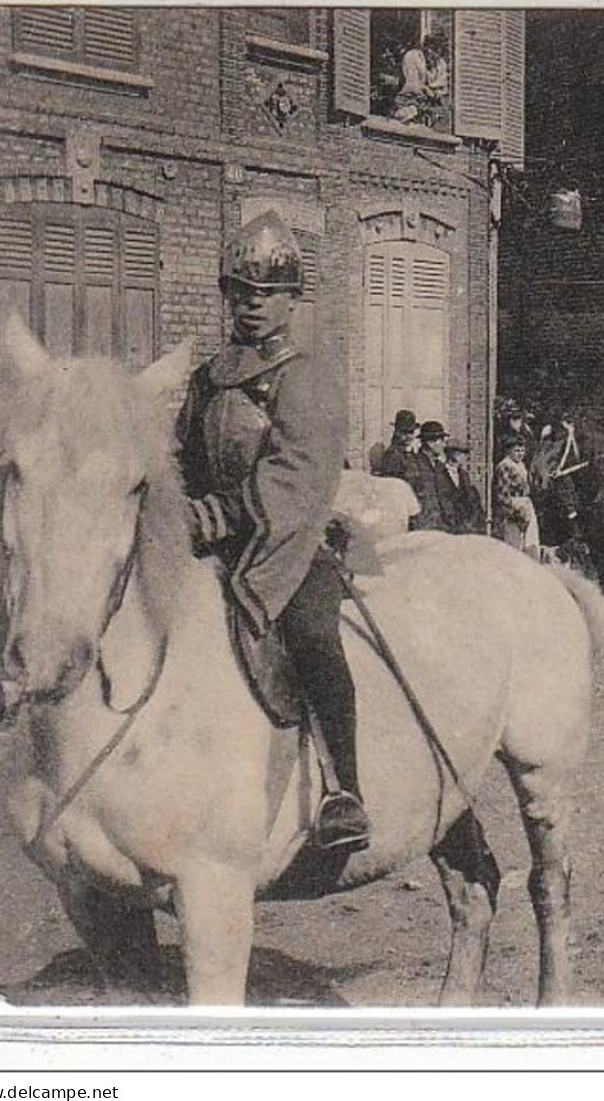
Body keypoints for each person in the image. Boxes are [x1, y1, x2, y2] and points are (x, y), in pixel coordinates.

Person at [176, 211, 367, 852]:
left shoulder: (305, 376)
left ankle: (344, 790)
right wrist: (174, 509)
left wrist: (219, 515)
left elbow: (297, 476)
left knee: (312, 634)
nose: (252, 305)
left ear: (290, 300)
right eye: (241, 290)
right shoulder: (208, 378)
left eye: (267, 293)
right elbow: (182, 458)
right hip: (202, 545)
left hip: (285, 544)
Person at [491, 436, 541, 555]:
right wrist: (515, 511)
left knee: (529, 542)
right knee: (513, 545)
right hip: (512, 508)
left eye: (522, 451)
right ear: (509, 451)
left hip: (525, 505)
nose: (520, 454)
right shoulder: (505, 466)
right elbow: (502, 495)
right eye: (517, 451)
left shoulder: (521, 466)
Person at [411, 420, 461, 533]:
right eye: (442, 440)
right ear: (430, 442)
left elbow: (449, 496)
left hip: (443, 526)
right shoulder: (414, 465)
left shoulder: (440, 467)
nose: (444, 444)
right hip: (423, 527)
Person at [393, 31, 449, 128]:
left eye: (439, 51)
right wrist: (425, 90)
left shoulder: (440, 64)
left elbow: (442, 87)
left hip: (429, 105)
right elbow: (412, 84)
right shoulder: (413, 56)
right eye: (432, 49)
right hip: (409, 101)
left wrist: (432, 93)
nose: (434, 54)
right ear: (425, 47)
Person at [444, 440, 487, 535]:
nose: (464, 457)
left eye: (464, 454)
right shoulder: (440, 472)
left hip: (463, 522)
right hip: (448, 521)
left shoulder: (464, 475)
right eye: (461, 454)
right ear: (452, 454)